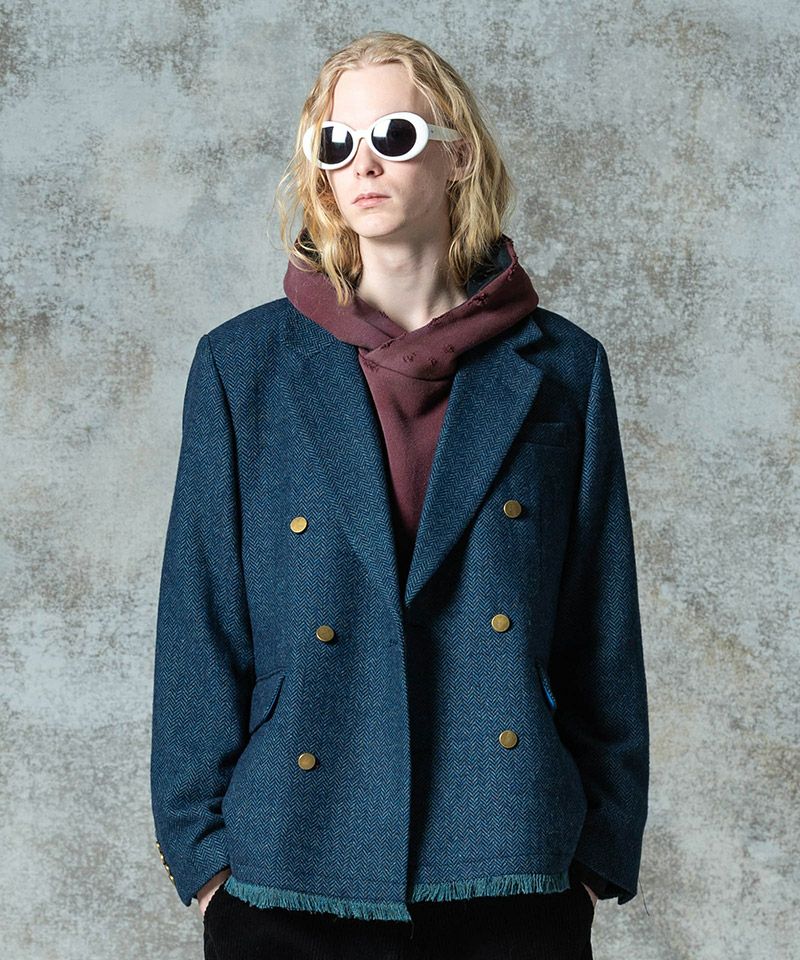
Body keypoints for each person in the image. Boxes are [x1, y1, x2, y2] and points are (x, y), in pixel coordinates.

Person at [150, 30, 650, 960]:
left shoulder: (563, 369)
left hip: (511, 857)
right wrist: (205, 856)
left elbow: (601, 624)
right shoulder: (243, 366)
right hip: (288, 860)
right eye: (336, 143)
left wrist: (598, 849)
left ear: (458, 156)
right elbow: (200, 617)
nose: (363, 162)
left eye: (394, 134)